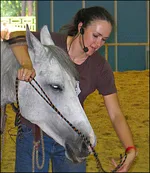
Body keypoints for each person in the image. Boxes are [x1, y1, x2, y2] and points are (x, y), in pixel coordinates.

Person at [3, 6, 137, 172]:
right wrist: (26, 63)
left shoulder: (100, 67)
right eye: (95, 36)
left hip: (73, 136)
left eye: (104, 39)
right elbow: (16, 36)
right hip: (34, 135)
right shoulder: (51, 43)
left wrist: (130, 149)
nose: (98, 44)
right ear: (81, 28)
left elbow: (115, 114)